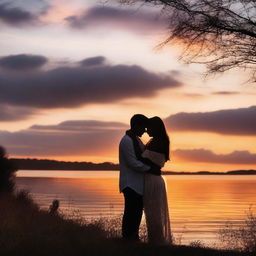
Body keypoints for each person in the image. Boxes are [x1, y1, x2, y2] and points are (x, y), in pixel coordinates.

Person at [119, 114, 161, 241]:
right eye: (144, 127)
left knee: (136, 213)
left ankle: (133, 238)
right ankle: (128, 239)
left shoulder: (136, 140)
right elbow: (133, 163)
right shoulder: (127, 140)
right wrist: (151, 169)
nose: (145, 131)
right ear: (137, 126)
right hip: (130, 184)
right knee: (131, 213)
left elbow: (144, 157)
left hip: (137, 184)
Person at [142, 116, 172, 245]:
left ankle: (156, 242)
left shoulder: (157, 142)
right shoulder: (156, 141)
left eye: (148, 128)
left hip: (153, 180)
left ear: (155, 128)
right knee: (152, 212)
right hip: (154, 180)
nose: (146, 131)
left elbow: (149, 162)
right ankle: (154, 241)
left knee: (154, 213)